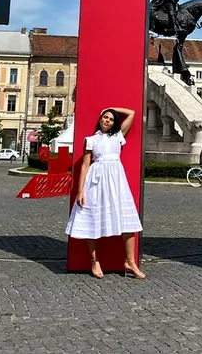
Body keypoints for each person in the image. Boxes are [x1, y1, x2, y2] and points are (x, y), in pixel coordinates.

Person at [65, 107, 145, 280]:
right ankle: (94, 261)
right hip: (96, 182)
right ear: (100, 119)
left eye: (111, 119)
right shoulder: (90, 140)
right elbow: (85, 166)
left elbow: (131, 113)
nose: (107, 120)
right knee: (92, 220)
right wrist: (80, 190)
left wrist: (111, 109)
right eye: (105, 117)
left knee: (127, 221)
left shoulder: (118, 136)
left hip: (117, 181)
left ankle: (130, 262)